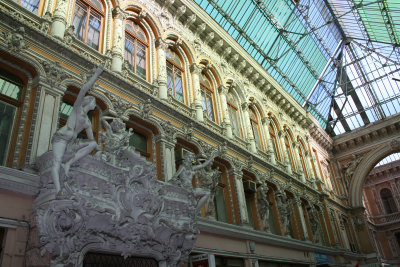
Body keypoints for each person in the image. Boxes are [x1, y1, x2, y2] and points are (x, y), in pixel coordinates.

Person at [51, 65, 104, 195]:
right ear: (89, 102)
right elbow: (84, 88)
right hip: (61, 138)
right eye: (94, 102)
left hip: (72, 142)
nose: (95, 105)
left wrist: (101, 151)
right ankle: (58, 190)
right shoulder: (77, 108)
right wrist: (96, 74)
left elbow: (92, 141)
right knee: (56, 162)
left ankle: (68, 163)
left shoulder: (87, 122)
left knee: (91, 144)